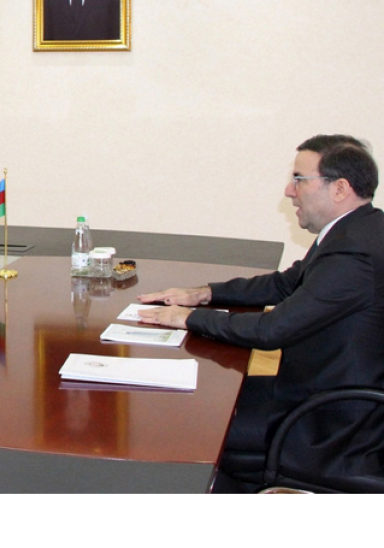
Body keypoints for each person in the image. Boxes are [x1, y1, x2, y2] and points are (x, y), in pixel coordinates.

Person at [138, 134, 384, 490]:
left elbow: (272, 331)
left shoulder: (353, 255)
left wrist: (187, 318)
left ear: (340, 188)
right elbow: (286, 284)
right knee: (202, 395)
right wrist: (205, 294)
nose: (289, 191)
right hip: (320, 393)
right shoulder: (358, 230)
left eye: (299, 179)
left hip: (330, 425)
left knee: (188, 423)